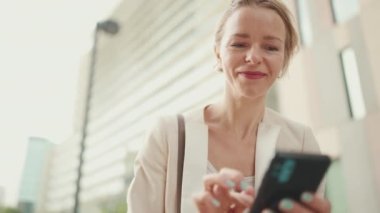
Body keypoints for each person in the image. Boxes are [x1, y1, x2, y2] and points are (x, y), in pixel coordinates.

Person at [127, 0, 331, 212]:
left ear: (284, 59)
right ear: (217, 53)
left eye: (271, 47)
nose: (253, 57)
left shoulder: (301, 142)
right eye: (239, 44)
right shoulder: (166, 136)